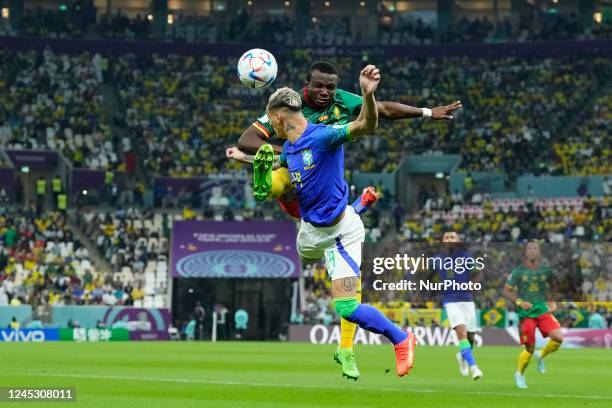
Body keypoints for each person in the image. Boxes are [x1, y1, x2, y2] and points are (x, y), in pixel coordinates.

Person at [246, 65, 416, 379]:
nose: (272, 128)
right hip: (311, 233)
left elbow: (366, 125)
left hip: (342, 234)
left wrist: (367, 94)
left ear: (280, 117)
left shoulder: (324, 136)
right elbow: (270, 156)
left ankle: (401, 339)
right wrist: (244, 158)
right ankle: (351, 204)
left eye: (272, 122)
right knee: (300, 236)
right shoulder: (291, 148)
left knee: (347, 307)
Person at [503, 241, 564, 389]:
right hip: (526, 314)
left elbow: (555, 286)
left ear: (539, 252)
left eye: (535, 248)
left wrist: (552, 302)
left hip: (542, 311)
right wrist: (519, 302)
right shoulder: (518, 271)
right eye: (529, 248)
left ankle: (541, 355)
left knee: (558, 338)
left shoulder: (546, 271)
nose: (532, 251)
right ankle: (519, 374)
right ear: (525, 252)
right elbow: (506, 291)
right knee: (529, 349)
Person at [436, 231, 483, 380]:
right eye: (446, 237)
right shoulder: (438, 259)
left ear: (458, 241)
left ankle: (462, 356)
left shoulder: (466, 257)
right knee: (461, 333)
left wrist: (471, 286)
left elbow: (479, 273)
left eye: (452, 237)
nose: (449, 239)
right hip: (451, 301)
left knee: (470, 337)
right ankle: (474, 368)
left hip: (467, 300)